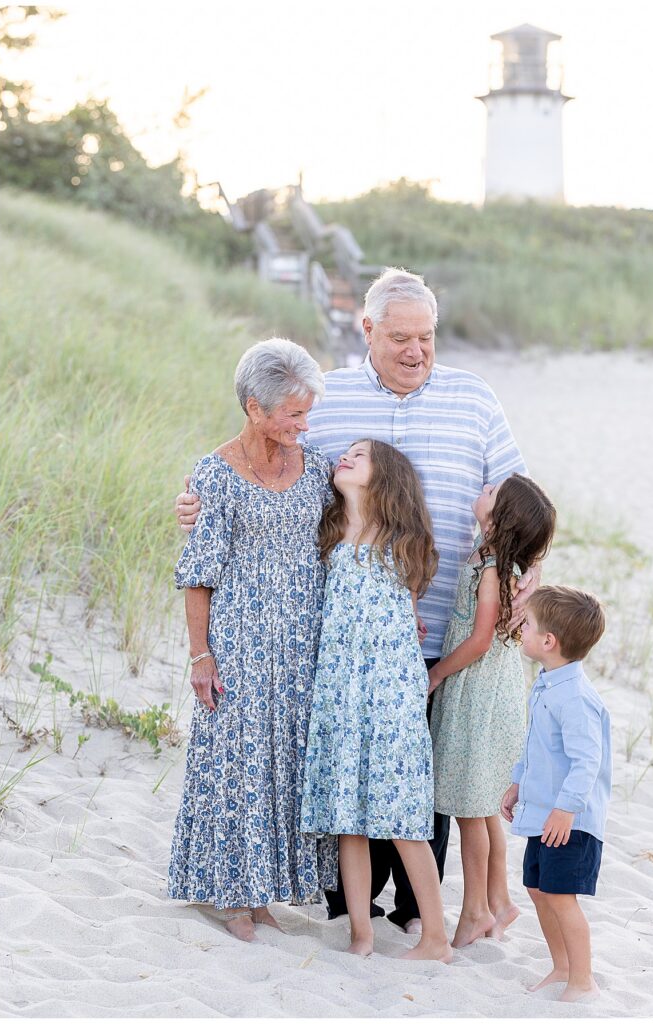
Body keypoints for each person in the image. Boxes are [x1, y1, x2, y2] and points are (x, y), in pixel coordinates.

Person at [174, 267, 533, 932]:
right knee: (347, 769)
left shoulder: (475, 398)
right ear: (367, 331)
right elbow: (269, 469)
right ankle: (350, 911)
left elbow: (519, 498)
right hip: (340, 635)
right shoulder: (326, 397)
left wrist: (526, 566)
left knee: (418, 786)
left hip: (445, 629)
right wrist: (199, 503)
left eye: (426, 336)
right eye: (399, 336)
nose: (415, 350)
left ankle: (409, 918)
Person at [168, 338, 338, 943]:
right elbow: (198, 571)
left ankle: (263, 893)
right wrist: (199, 654)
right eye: (291, 412)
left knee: (286, 761)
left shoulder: (316, 466)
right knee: (236, 762)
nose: (302, 423)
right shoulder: (214, 474)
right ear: (253, 407)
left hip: (302, 640)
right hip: (238, 641)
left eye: (306, 411)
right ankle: (231, 896)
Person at [300, 439, 452, 963]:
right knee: (349, 819)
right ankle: (361, 934)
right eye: (345, 452)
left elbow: (407, 614)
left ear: (383, 477)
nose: (345, 458)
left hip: (389, 697)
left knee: (404, 817)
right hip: (341, 693)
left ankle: (435, 938)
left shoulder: (401, 541)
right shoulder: (330, 532)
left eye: (359, 455)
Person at [428, 474, 556, 947]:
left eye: (492, 494)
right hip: (496, 691)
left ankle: (474, 912)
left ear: (498, 517)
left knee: (469, 810)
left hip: (475, 692)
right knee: (483, 807)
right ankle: (498, 902)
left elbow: (480, 639)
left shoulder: (490, 566)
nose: (482, 491)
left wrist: (438, 673)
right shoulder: (506, 562)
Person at [501, 586, 610, 1003]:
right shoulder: (547, 684)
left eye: (526, 624)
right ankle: (561, 967)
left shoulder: (575, 697)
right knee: (538, 888)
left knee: (562, 897)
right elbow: (536, 745)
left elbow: (587, 761)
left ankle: (584, 981)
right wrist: (516, 783)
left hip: (571, 820)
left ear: (549, 642)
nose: (521, 628)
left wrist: (566, 810)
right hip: (543, 812)